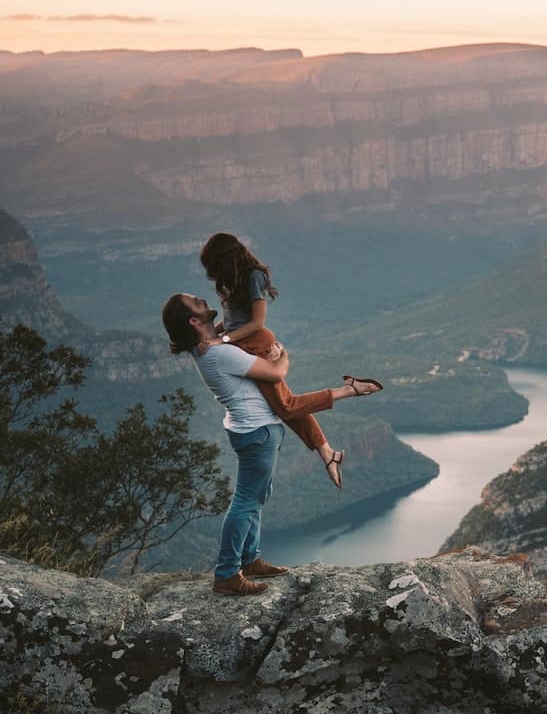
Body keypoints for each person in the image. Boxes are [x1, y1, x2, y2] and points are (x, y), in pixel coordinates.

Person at [160, 291, 380, 596]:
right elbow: (277, 373)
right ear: (194, 321)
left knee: (257, 495)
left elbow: (234, 326)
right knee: (246, 501)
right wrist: (282, 354)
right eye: (197, 303)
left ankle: (249, 559)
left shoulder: (209, 346)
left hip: (252, 431)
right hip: (257, 433)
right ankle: (226, 573)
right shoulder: (219, 353)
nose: (202, 299)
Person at [199, 232, 383, 489]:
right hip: (242, 344)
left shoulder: (254, 277)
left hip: (255, 344)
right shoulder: (234, 279)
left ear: (225, 259)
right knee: (285, 406)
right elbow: (233, 319)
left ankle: (350, 389)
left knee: (285, 406)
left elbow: (256, 323)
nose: (211, 273)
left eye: (213, 266)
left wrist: (223, 340)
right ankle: (328, 453)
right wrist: (214, 333)